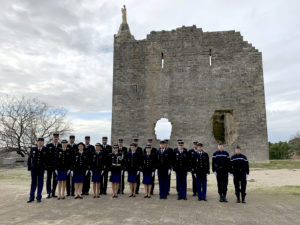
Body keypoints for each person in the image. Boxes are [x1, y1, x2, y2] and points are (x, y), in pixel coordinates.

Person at [27, 137, 47, 203]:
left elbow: (48, 160)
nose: (40, 143)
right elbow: (29, 158)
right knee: (33, 183)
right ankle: (31, 197)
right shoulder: (33, 149)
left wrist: (46, 168)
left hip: (41, 169)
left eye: (41, 142)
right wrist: (29, 166)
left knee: (40, 183)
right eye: (39, 141)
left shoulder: (45, 149)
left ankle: (38, 197)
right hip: (34, 169)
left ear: (43, 143)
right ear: (37, 142)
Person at [46, 132, 61, 198]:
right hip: (49, 166)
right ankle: (48, 193)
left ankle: (53, 192)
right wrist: (46, 165)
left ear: (58, 138)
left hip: (56, 167)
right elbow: (46, 156)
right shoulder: (48, 145)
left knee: (55, 180)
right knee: (48, 179)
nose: (56, 139)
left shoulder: (60, 145)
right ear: (53, 138)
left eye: (57, 138)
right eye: (55, 137)